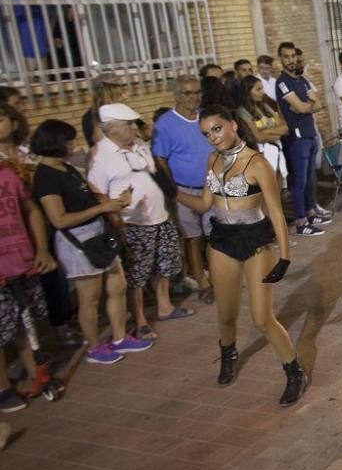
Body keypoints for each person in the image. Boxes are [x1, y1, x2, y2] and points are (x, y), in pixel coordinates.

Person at [174, 105, 304, 405]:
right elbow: (204, 204)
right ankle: (228, 354)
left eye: (217, 129)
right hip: (221, 241)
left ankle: (294, 371)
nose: (213, 138)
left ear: (233, 125)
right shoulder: (211, 160)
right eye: (206, 134)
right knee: (226, 315)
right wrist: (172, 191)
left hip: (255, 240)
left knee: (261, 318)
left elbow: (275, 212)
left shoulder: (258, 164)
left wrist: (285, 257)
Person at [32, 120, 153, 365]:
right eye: (68, 142)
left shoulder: (66, 169)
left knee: (117, 285)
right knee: (89, 298)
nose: (73, 146)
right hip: (78, 241)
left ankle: (120, 337)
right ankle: (95, 347)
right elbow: (59, 219)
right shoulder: (45, 177)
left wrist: (113, 203)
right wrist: (102, 207)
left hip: (99, 234)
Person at [89, 103, 189, 341]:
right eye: (128, 124)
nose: (134, 128)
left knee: (164, 265)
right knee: (137, 275)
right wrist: (116, 224)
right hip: (131, 224)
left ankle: (165, 306)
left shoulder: (139, 145)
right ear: (111, 128)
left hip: (159, 216)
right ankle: (140, 320)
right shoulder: (100, 156)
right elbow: (99, 194)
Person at [0, 145, 56, 411]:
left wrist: (41, 248)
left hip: (22, 261)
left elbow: (31, 210)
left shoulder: (8, 174)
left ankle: (37, 374)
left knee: (27, 321)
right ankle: (3, 388)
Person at [153, 75, 215, 302]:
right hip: (184, 190)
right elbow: (160, 159)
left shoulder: (206, 117)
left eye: (197, 92)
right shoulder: (165, 125)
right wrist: (172, 190)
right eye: (188, 93)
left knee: (215, 235)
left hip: (211, 186)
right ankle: (201, 279)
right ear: (177, 96)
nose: (194, 97)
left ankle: (217, 274)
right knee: (193, 237)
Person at [276, 42, 327, 236]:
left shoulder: (301, 80)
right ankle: (301, 221)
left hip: (309, 132)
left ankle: (311, 212)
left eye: (293, 56)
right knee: (299, 181)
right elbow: (305, 107)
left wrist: (305, 106)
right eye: (286, 57)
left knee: (309, 179)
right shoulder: (282, 82)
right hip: (297, 137)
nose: (291, 60)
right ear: (281, 59)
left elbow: (317, 104)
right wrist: (306, 105)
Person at [238, 75, 288, 188]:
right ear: (248, 91)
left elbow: (285, 128)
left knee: (278, 186)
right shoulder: (243, 111)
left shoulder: (265, 106)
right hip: (262, 154)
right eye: (258, 89)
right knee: (268, 188)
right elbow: (258, 137)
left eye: (262, 88)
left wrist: (265, 131)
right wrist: (276, 133)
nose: (262, 92)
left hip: (277, 149)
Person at [81, 73, 128, 147]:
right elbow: (99, 146)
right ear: (107, 95)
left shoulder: (124, 111)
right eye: (120, 94)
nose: (126, 96)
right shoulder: (91, 118)